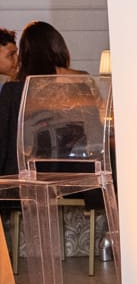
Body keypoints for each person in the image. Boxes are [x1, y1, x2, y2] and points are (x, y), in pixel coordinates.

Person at [0, 21, 79, 177]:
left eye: (17, 53)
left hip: (22, 177)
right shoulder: (78, 87)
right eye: (11, 55)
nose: (16, 60)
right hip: (70, 175)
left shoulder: (14, 90)